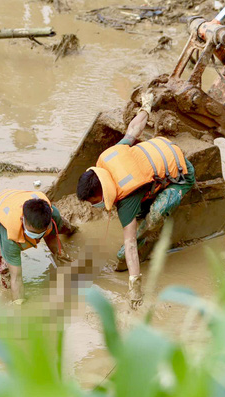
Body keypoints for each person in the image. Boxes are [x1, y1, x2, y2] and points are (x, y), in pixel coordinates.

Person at [75, 99, 195, 309]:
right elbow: (134, 129)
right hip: (159, 148)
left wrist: (134, 287)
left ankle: (152, 224)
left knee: (155, 214)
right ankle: (149, 202)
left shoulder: (126, 199)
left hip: (181, 173)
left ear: (102, 191)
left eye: (95, 202)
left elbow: (129, 246)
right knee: (145, 197)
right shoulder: (109, 156)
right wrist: (145, 108)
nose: (95, 206)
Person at [0, 190, 74, 302]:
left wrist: (63, 258)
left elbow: (52, 237)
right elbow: (17, 278)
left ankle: (75, 231)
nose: (36, 237)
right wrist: (19, 305)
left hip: (18, 198)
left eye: (40, 233)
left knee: (63, 231)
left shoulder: (53, 215)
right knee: (6, 271)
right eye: (33, 233)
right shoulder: (9, 237)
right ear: (22, 220)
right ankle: (5, 290)